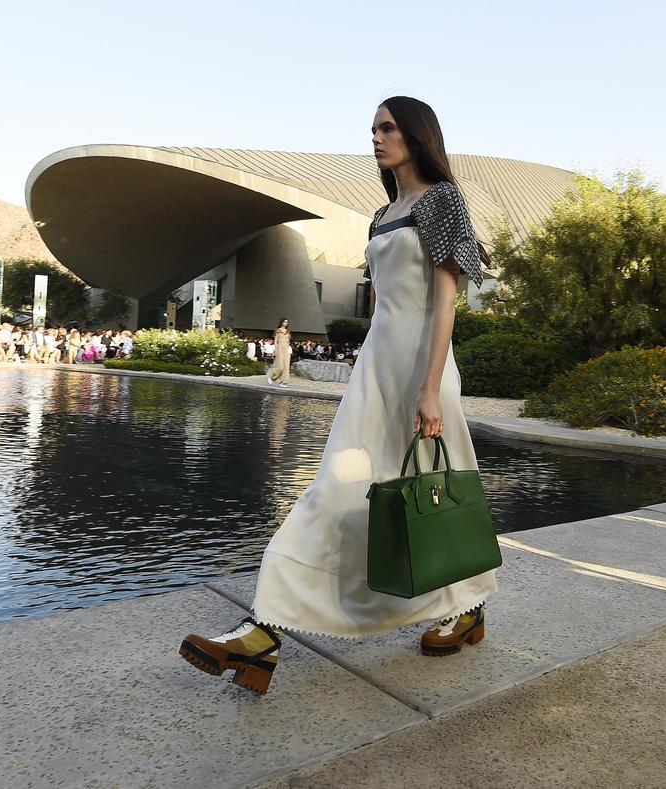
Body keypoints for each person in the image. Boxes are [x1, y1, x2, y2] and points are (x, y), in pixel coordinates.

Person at [180, 96, 497, 695]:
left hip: (423, 369)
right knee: (339, 488)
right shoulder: (382, 214)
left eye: (389, 127)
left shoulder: (442, 201)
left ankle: (470, 604)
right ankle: (264, 631)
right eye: (374, 128)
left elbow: (444, 300)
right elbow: (385, 304)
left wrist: (429, 387)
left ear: (417, 135)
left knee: (440, 488)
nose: (377, 137)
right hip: (377, 364)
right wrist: (367, 364)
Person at [266, 319, 292, 387]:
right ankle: (271, 376)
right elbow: (275, 341)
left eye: (287, 322)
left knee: (286, 366)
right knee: (280, 366)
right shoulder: (278, 331)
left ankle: (283, 382)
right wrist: (275, 350)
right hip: (279, 348)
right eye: (284, 322)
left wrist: (289, 350)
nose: (285, 323)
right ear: (281, 322)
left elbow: (288, 341)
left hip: (286, 349)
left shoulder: (288, 332)